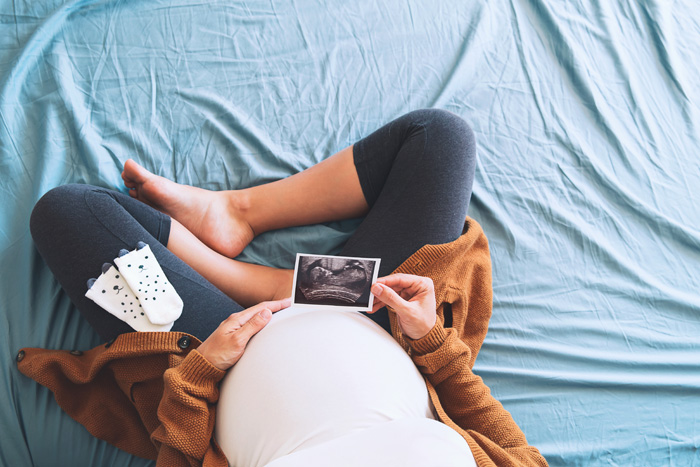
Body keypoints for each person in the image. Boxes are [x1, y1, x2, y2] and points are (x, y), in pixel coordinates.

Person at [21, 109, 548, 466]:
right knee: (439, 138)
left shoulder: (209, 363)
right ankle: (241, 216)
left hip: (215, 353)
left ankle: (268, 282)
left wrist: (203, 371)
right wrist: (431, 340)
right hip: (379, 316)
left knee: (68, 211)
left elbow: (177, 454)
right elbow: (506, 444)